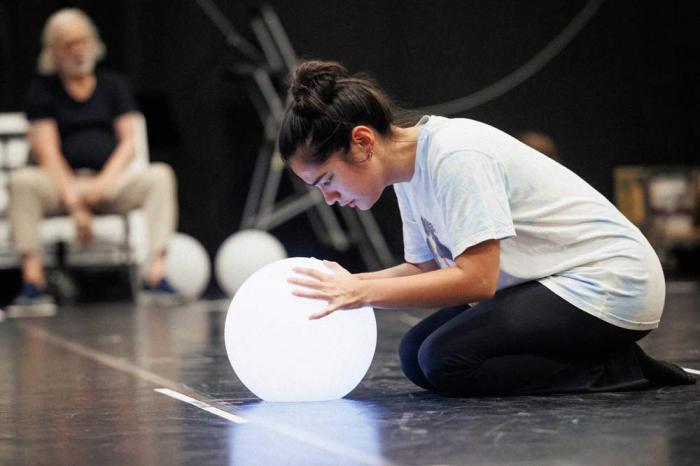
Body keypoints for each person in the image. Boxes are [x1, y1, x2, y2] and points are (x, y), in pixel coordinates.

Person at [280, 60, 695, 397]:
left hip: (614, 280)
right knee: (414, 356)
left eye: (328, 181)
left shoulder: (455, 155)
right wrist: (348, 284)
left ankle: (618, 368)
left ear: (363, 142)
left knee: (446, 360)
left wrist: (362, 292)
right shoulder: (405, 176)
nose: (330, 199)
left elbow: (477, 280)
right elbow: (425, 271)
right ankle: (602, 357)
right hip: (553, 281)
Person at [8, 8, 179, 313]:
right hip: (60, 185)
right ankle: (33, 282)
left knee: (159, 175)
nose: (76, 50)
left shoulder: (113, 86)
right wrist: (75, 203)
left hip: (108, 183)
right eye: (67, 44)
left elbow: (129, 143)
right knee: (22, 182)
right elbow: (48, 154)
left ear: (92, 43)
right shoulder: (42, 91)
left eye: (81, 41)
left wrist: (105, 182)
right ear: (53, 51)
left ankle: (156, 275)